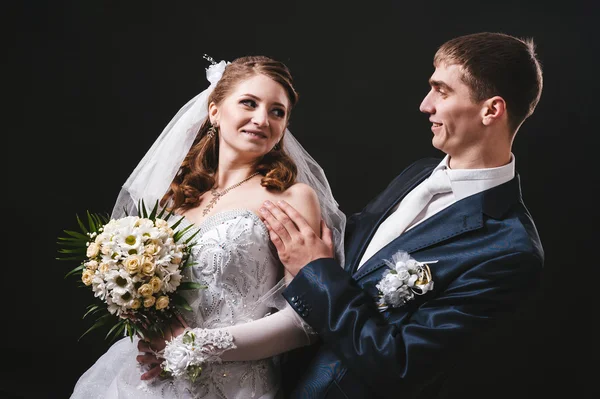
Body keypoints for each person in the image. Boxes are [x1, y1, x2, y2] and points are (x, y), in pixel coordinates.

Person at [258, 32, 545, 398]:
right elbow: (352, 260)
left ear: (491, 110)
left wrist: (316, 272)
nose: (426, 105)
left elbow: (399, 363)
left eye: (442, 91)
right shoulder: (418, 172)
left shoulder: (510, 249)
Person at [70, 55, 346, 399]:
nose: (262, 119)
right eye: (249, 103)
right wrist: (150, 335)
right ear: (214, 110)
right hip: (153, 381)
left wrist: (197, 345)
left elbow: (305, 320)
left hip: (236, 386)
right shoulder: (174, 196)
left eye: (278, 112)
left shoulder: (291, 197)